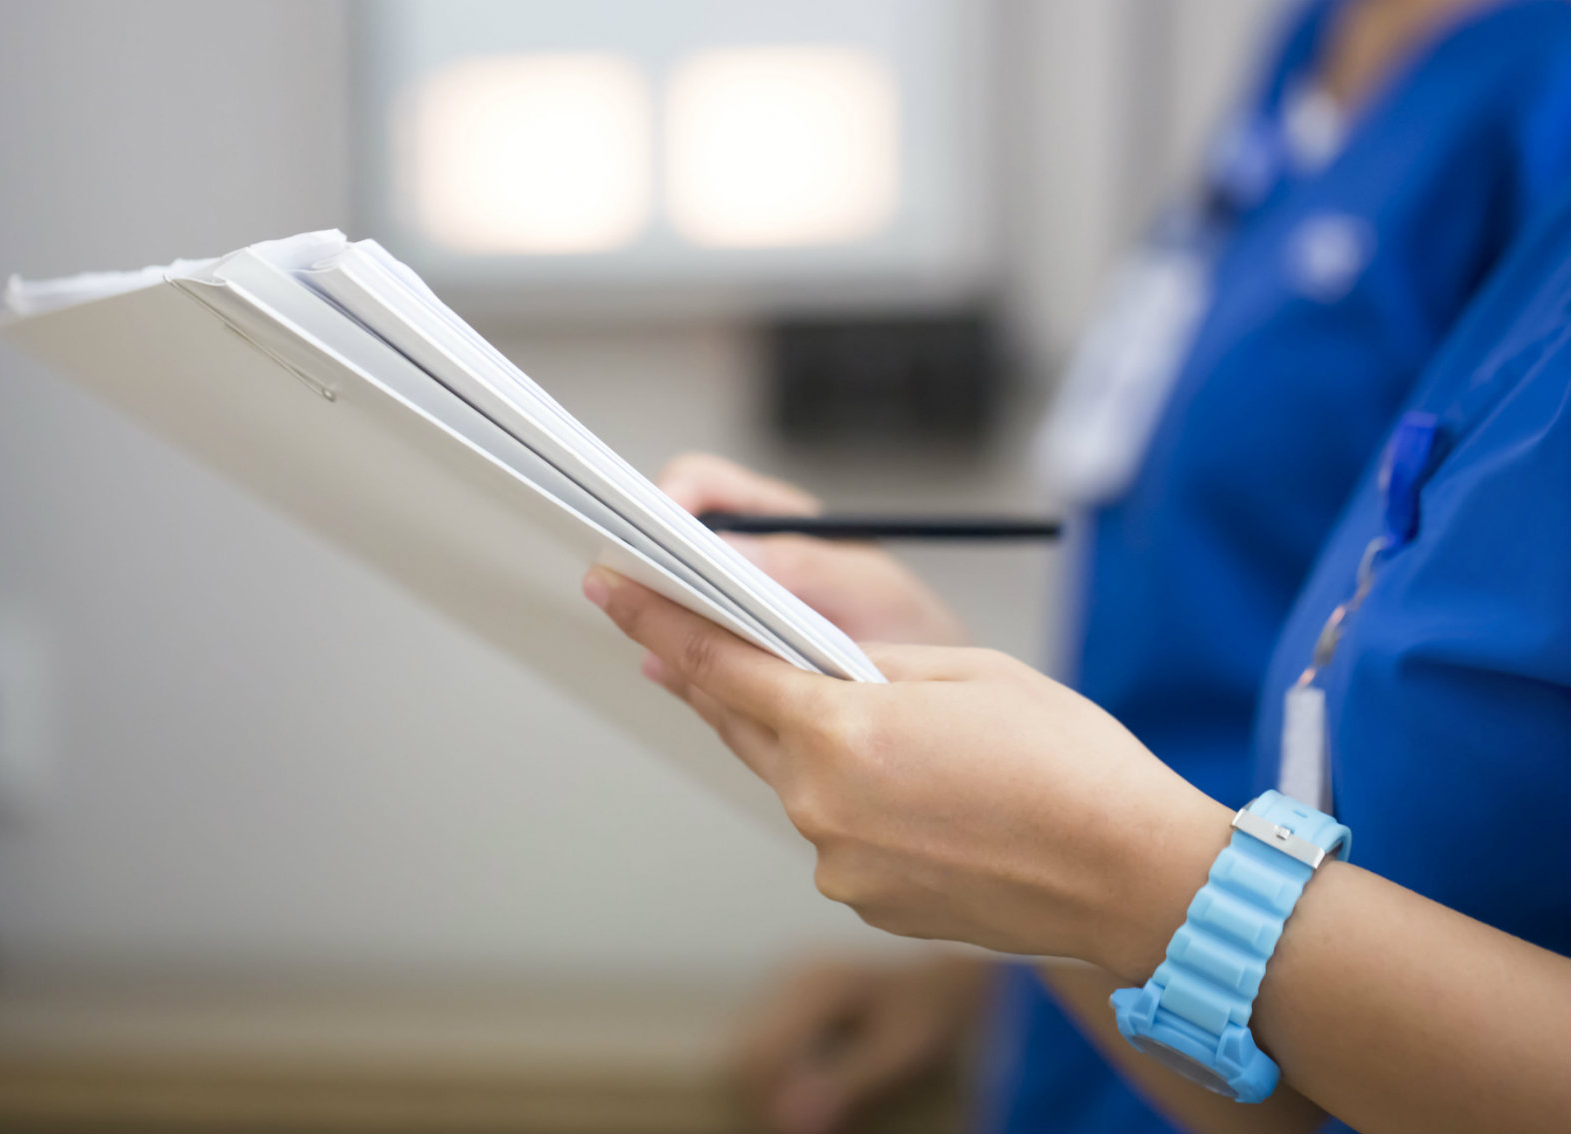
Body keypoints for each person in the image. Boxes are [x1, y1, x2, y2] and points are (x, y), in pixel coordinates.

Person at [649, 1, 1571, 1131]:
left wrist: (1118, 890)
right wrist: (1011, 935)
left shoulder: (1529, 90)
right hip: (1178, 1023)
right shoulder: (1316, 55)